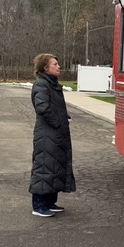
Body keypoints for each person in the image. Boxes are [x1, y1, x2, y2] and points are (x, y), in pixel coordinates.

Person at [29, 53, 75, 217]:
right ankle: (38, 206)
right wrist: (58, 122)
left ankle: (49, 202)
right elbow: (43, 108)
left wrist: (64, 118)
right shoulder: (41, 85)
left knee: (54, 167)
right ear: (45, 67)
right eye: (55, 64)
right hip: (47, 134)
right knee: (44, 167)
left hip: (56, 134)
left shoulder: (52, 84)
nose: (58, 66)